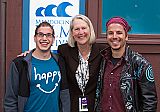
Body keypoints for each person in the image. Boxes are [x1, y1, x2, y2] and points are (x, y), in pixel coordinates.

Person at [4, 22, 70, 112]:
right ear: (35, 38)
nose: (44, 38)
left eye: (48, 35)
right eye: (40, 35)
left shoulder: (60, 62)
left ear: (53, 39)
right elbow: (10, 100)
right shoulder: (20, 64)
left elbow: (65, 95)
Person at [95, 16, 157, 111]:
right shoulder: (101, 60)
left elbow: (150, 101)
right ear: (107, 37)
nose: (114, 36)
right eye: (110, 33)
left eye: (119, 33)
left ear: (126, 36)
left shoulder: (141, 64)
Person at [58, 14, 105, 112]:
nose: (81, 32)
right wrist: (30, 54)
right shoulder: (64, 50)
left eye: (84, 28)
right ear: (72, 33)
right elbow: (48, 57)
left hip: (96, 106)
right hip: (72, 105)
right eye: (76, 29)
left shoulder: (103, 51)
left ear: (90, 30)